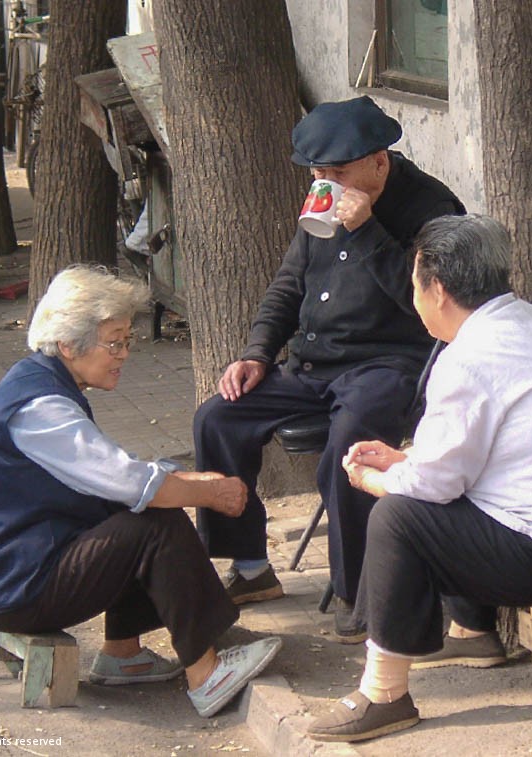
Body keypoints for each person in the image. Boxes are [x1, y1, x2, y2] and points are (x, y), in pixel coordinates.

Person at [305, 214, 532, 742]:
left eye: (416, 285)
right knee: (421, 499)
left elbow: (434, 486)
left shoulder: (469, 356)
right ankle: (469, 631)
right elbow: (480, 455)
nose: (415, 299)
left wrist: (375, 481)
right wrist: (404, 461)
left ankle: (384, 695)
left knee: (396, 519)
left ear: (438, 290)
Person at [193, 95, 465, 642]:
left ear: (378, 162)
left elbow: (432, 302)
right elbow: (289, 283)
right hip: (315, 361)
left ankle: (358, 590)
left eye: (337, 173)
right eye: (318, 173)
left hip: (390, 362)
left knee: (350, 445)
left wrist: (366, 230)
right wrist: (256, 353)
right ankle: (250, 566)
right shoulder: (323, 200)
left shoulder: (432, 208)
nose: (325, 184)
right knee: (218, 418)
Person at [0, 266, 281, 719]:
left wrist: (189, 483)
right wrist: (207, 493)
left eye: (127, 341)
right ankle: (207, 674)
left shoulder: (40, 381)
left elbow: (111, 477)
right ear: (68, 344)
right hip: (19, 587)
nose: (124, 354)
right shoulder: (40, 408)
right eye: (114, 343)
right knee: (156, 523)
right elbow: (130, 482)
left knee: (136, 509)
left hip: (22, 570)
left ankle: (123, 653)